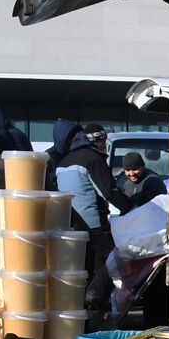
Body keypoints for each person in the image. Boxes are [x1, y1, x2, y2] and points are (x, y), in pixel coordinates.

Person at [52, 120, 133, 313]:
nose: (104, 143)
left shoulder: (63, 162)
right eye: (102, 139)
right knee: (118, 256)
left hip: (72, 225)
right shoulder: (92, 159)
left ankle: (89, 315)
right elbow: (109, 192)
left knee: (86, 270)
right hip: (94, 224)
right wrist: (132, 207)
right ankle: (95, 294)